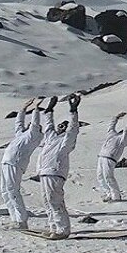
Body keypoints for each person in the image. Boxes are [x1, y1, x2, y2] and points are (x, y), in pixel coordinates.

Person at [37, 95, 80, 240]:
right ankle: (53, 227)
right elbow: (48, 125)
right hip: (44, 172)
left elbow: (73, 129)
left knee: (54, 200)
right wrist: (49, 110)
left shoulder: (66, 141)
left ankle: (63, 229)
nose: (61, 127)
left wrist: (73, 111)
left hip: (55, 172)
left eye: (64, 126)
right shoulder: (51, 137)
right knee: (47, 201)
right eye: (60, 125)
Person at [0, 98, 42, 229]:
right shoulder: (22, 135)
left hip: (15, 163)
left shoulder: (33, 135)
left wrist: (35, 109)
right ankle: (15, 218)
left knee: (13, 190)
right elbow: (18, 123)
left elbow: (35, 124)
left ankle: (21, 220)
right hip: (7, 162)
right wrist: (23, 109)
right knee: (5, 191)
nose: (29, 125)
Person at [98, 111, 127, 202]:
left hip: (109, 158)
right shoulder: (112, 135)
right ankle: (108, 193)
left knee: (108, 177)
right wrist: (116, 118)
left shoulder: (122, 140)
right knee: (100, 177)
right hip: (101, 157)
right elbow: (110, 127)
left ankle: (116, 196)